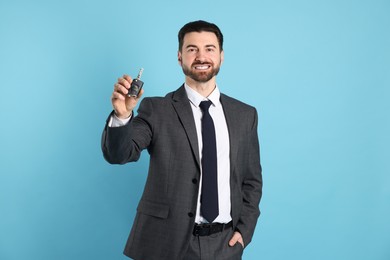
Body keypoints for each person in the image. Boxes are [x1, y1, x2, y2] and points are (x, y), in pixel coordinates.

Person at [101, 20, 262, 260]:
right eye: (192, 49)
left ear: (221, 56)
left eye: (209, 48)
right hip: (167, 244)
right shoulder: (157, 109)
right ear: (180, 57)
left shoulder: (245, 115)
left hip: (225, 245)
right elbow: (119, 154)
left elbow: (251, 180)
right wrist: (122, 115)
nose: (201, 56)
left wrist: (244, 231)